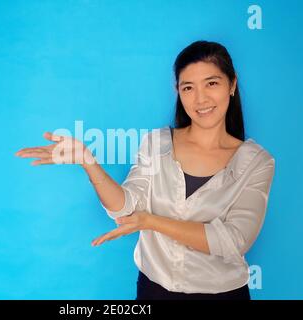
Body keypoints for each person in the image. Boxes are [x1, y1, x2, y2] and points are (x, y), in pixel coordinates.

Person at [15, 40, 275, 300]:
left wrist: (151, 221)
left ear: (232, 84)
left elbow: (232, 241)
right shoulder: (156, 142)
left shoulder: (256, 162)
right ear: (178, 92)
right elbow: (125, 207)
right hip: (153, 290)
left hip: (222, 295)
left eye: (212, 83)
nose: (201, 98)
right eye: (188, 87)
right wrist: (88, 162)